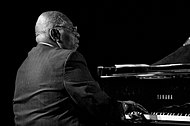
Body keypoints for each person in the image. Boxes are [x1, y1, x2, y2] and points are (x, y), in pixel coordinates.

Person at [13, 11, 148, 126]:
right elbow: (96, 103)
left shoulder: (24, 65)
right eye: (72, 30)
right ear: (55, 33)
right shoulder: (67, 58)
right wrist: (123, 107)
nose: (78, 35)